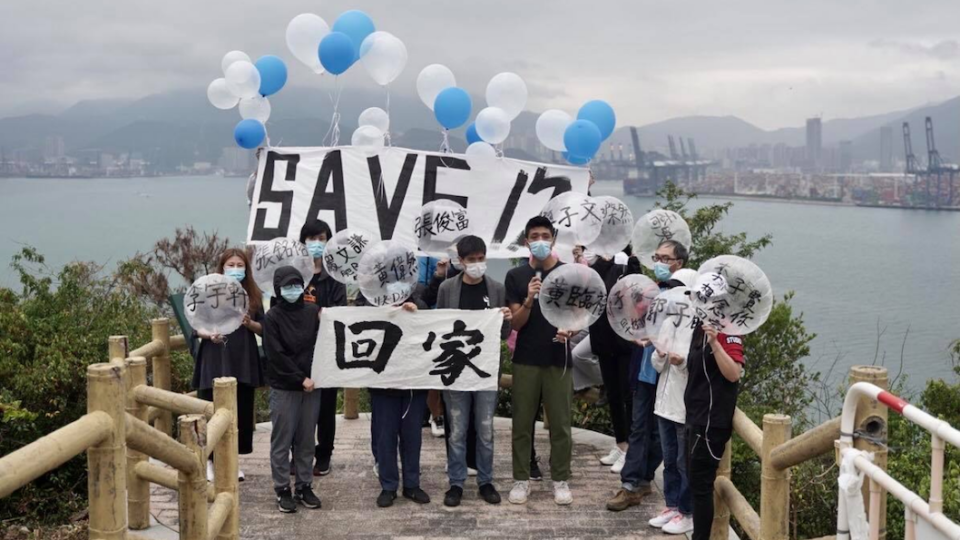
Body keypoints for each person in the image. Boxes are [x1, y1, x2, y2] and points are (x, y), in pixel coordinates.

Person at [607, 239, 687, 512]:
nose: (659, 263)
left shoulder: (686, 296)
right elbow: (634, 324)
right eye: (656, 257)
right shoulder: (649, 290)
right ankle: (630, 484)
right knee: (640, 427)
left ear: (680, 263)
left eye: (665, 258)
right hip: (645, 371)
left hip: (670, 376)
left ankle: (643, 479)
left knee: (660, 435)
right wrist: (636, 337)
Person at [435, 236, 513, 507]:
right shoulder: (447, 288)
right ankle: (456, 482)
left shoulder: (496, 288)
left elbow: (502, 335)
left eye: (481, 259)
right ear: (461, 262)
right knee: (456, 429)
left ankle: (485, 480)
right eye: (471, 260)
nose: (477, 264)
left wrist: (507, 320)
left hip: (486, 370)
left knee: (485, 428)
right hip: (456, 369)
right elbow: (439, 327)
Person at [505, 216, 575, 506]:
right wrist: (530, 298)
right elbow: (516, 324)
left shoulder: (568, 274)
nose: (541, 241)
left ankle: (560, 479)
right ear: (527, 241)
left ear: (554, 240)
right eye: (535, 236)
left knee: (560, 423)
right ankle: (521, 480)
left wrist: (570, 329)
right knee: (522, 422)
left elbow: (578, 316)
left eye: (546, 236)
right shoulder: (517, 277)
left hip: (559, 357)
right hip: (526, 357)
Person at [192, 248, 263, 483]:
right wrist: (208, 334)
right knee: (210, 407)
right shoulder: (207, 291)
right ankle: (209, 462)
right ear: (221, 267)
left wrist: (249, 322)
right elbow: (196, 327)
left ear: (246, 268)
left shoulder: (252, 294)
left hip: (242, 355)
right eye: (230, 265)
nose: (235, 269)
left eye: (239, 265)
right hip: (214, 354)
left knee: (240, 409)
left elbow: (263, 327)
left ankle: (233, 462)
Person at [262, 266, 322, 513]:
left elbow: (324, 341)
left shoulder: (311, 312)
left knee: (307, 439)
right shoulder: (272, 317)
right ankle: (282, 488)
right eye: (287, 286)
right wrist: (300, 379)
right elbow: (276, 355)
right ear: (278, 289)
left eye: (296, 285)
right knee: (282, 440)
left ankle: (304, 485)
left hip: (312, 385)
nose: (292, 290)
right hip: (285, 386)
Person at [366, 297, 432, 508]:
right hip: (383, 384)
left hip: (413, 385)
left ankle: (412, 484)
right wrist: (388, 311)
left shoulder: (420, 299)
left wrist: (417, 313)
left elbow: (431, 332)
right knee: (385, 437)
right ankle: (388, 486)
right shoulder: (371, 300)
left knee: (412, 436)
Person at [686, 323, 745, 539]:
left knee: (701, 485)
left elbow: (733, 373)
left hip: (711, 422)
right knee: (695, 482)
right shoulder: (700, 326)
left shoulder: (729, 330)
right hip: (696, 416)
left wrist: (715, 344)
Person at [299, 220, 347, 477]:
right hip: (299, 350)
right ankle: (299, 454)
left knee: (326, 408)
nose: (316, 243)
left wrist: (322, 314)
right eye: (311, 238)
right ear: (303, 241)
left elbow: (339, 312)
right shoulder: (294, 273)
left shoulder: (335, 277)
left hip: (326, 350)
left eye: (321, 238)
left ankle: (324, 453)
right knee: (299, 405)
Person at [586, 246, 639, 474]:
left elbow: (637, 293)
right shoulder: (597, 265)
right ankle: (620, 444)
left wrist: (627, 263)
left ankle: (631, 450)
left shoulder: (629, 263)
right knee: (614, 395)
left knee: (628, 396)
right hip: (602, 337)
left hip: (625, 341)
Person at [649, 316, 694, 533]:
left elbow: (699, 366)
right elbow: (656, 366)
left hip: (684, 408)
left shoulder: (698, 327)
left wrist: (682, 362)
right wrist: (659, 355)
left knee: (684, 463)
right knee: (669, 461)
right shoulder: (668, 323)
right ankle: (672, 506)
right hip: (663, 403)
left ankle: (686, 513)